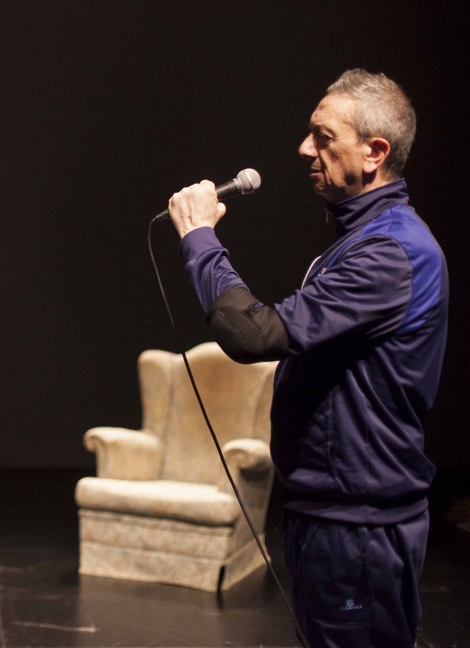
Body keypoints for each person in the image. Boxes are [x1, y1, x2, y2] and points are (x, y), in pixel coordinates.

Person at [166, 70, 447, 647]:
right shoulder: (364, 240)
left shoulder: (389, 253)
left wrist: (199, 237)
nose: (304, 149)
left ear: (374, 153)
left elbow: (255, 334)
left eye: (323, 137)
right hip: (330, 517)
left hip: (358, 528)